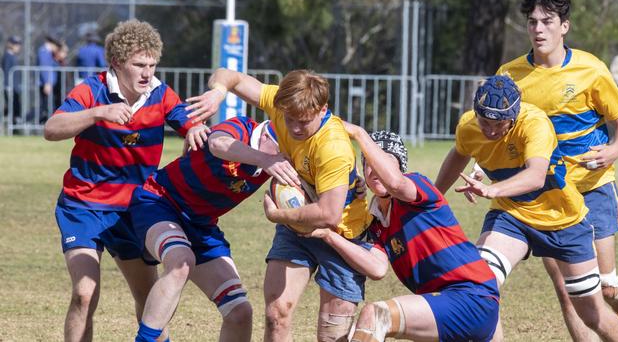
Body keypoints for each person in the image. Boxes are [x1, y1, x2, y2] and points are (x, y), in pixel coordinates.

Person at [43, 19, 206, 342]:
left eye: (152, 64)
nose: (147, 72)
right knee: (84, 293)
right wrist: (97, 113)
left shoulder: (160, 94)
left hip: (133, 210)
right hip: (84, 207)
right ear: (117, 63)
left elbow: (192, 127)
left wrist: (199, 131)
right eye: (139, 65)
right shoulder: (92, 90)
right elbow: (52, 128)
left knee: (150, 301)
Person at [434, 75, 618, 342]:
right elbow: (459, 153)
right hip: (511, 215)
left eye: (498, 124)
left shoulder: (534, 123)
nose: (489, 130)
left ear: (513, 117)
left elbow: (536, 175)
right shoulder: (468, 126)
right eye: (484, 122)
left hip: (562, 218)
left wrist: (493, 189)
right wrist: (434, 197)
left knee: (592, 313)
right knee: (479, 286)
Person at [186, 68, 373, 342]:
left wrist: (279, 215)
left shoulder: (332, 147)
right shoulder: (282, 101)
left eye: (304, 121)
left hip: (342, 235)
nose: (295, 128)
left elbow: (329, 214)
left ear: (323, 110)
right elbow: (230, 76)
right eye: (289, 119)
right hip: (296, 230)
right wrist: (218, 93)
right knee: (276, 315)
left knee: (333, 334)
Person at [496, 0, 618, 341]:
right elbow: (501, 136)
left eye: (547, 21)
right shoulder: (509, 76)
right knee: (569, 290)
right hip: (548, 195)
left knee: (605, 287)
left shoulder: (591, 69)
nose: (539, 29)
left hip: (593, 188)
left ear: (564, 26)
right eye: (532, 22)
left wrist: (614, 150)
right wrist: (485, 168)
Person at [306, 126, 500, 342]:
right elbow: (377, 268)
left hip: (471, 295)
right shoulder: (375, 221)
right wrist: (329, 236)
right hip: (444, 304)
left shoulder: (417, 186)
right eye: (368, 162)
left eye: (384, 160)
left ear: (400, 167)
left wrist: (360, 134)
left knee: (376, 315)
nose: (374, 168)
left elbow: (397, 184)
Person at [130, 116, 300, 342]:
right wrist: (266, 159)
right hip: (160, 201)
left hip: (201, 225)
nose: (288, 157)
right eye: (285, 149)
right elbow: (218, 143)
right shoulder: (242, 127)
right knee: (182, 262)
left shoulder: (276, 161)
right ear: (268, 134)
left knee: (239, 312)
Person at [37, 34, 63, 123]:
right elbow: (44, 68)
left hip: (49, 84)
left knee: (48, 106)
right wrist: (47, 82)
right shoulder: (44, 52)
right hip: (46, 84)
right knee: (46, 107)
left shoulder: (49, 53)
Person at [2, 35, 22, 123]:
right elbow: (6, 72)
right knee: (11, 107)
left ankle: (13, 126)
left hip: (15, 87)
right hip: (10, 87)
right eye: (15, 44)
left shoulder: (13, 56)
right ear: (10, 44)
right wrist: (7, 86)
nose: (18, 47)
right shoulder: (7, 56)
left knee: (14, 107)